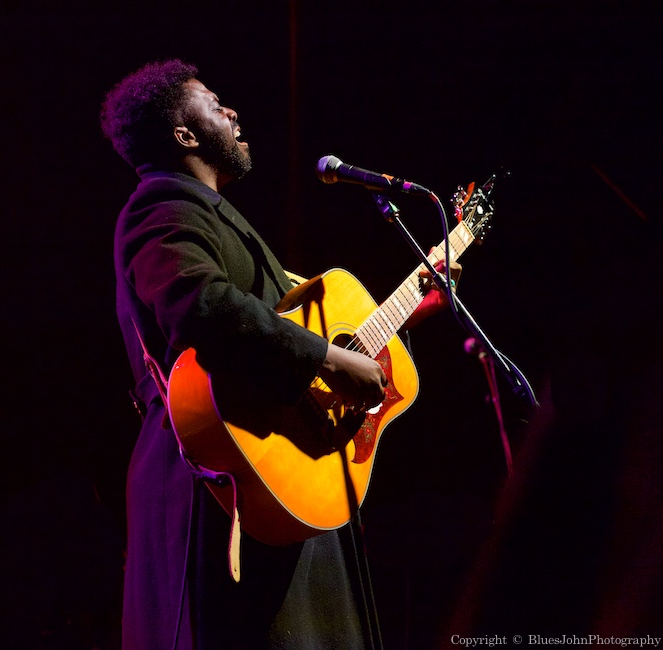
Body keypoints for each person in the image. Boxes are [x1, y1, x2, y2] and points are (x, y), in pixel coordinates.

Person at [102, 59, 458, 650]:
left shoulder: (219, 220)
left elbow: (285, 338)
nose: (233, 110)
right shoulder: (161, 206)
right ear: (183, 135)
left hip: (283, 479)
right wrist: (328, 359)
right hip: (221, 484)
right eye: (214, 103)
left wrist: (407, 314)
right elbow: (200, 304)